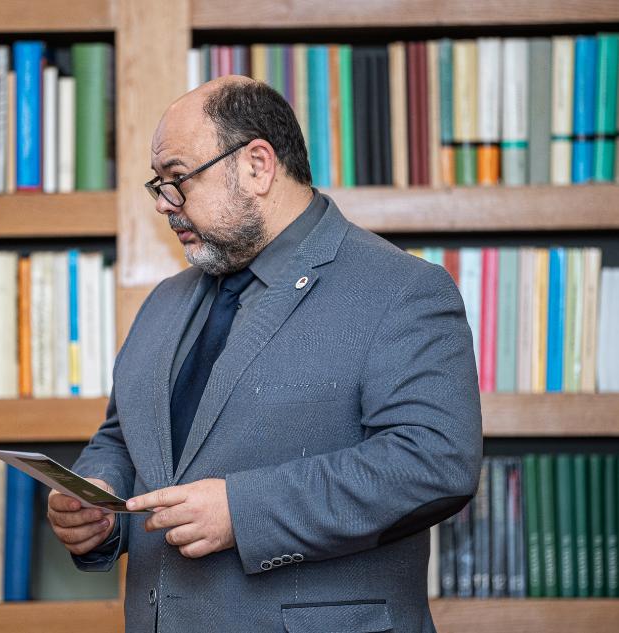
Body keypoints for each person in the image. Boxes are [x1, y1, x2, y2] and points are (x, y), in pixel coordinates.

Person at [46, 75, 482, 632]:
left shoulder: (401, 289)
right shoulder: (164, 301)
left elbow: (434, 462)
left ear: (257, 165)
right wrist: (100, 501)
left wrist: (242, 512)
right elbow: (123, 439)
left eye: (178, 179)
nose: (163, 204)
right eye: (158, 184)